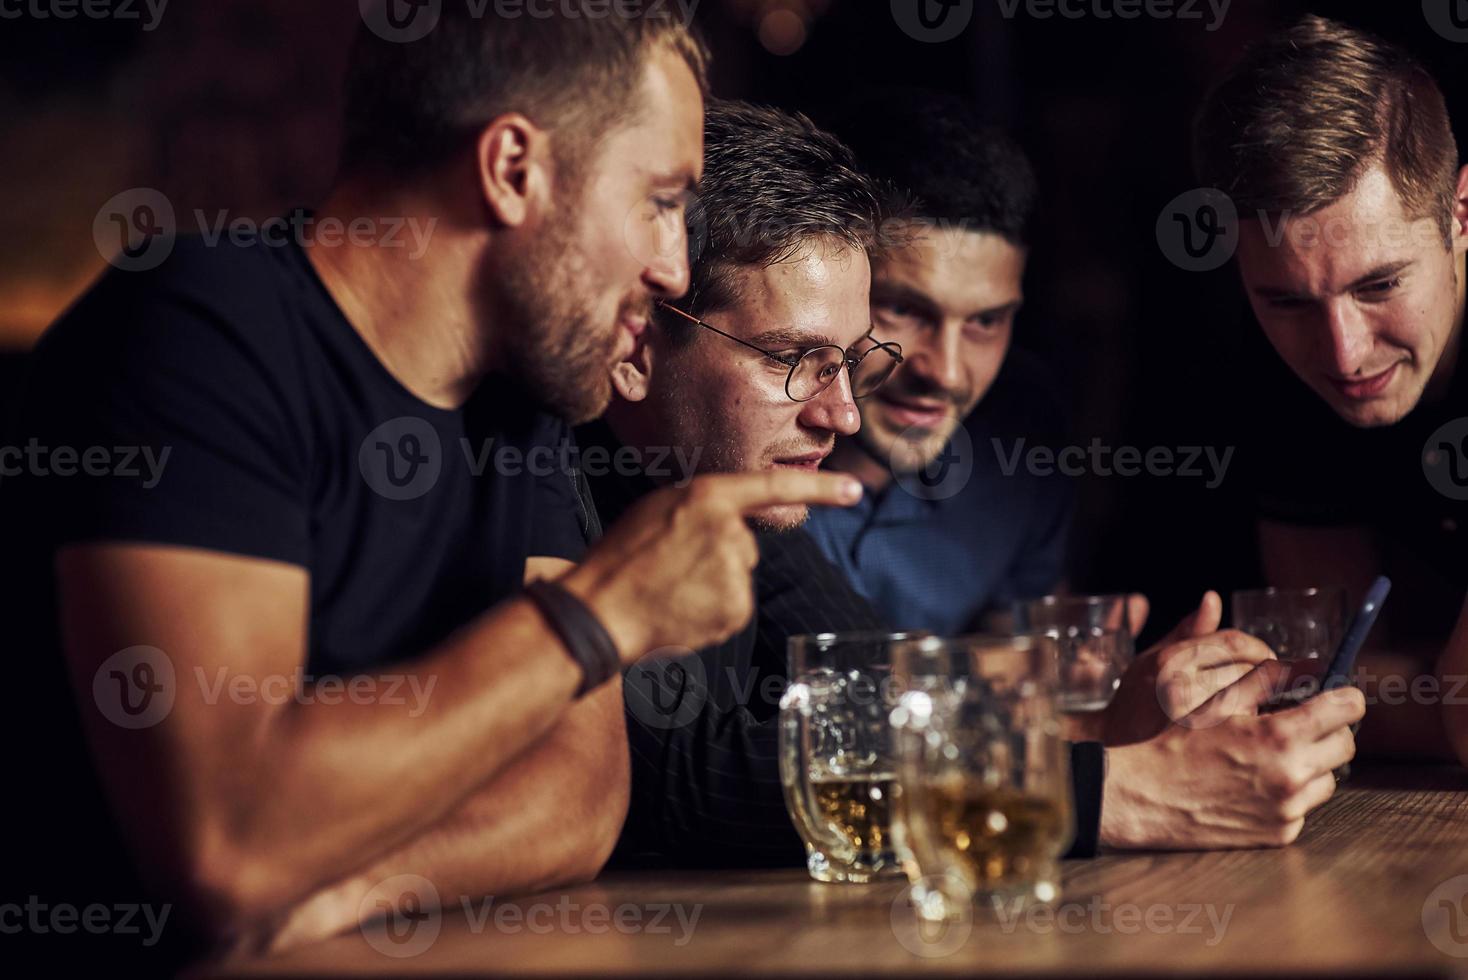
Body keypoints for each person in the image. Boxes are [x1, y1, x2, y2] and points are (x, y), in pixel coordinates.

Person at [0, 7, 865, 966]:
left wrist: (354, 883)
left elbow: (580, 796)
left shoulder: (517, 402)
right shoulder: (196, 339)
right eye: (661, 200)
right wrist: (599, 615)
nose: (671, 265)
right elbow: (234, 846)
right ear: (511, 170)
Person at [587, 99, 1365, 869]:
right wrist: (1116, 791)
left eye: (848, 361)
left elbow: (888, 688)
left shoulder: (726, 491)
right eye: (793, 360)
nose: (846, 415)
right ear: (636, 340)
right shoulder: (546, 465)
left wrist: (1101, 732)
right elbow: (676, 778)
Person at [1192, 14, 1468, 761]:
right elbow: (1327, 682)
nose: (1342, 354)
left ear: (1460, 216)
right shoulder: (1274, 368)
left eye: (1380, 284)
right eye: (1284, 300)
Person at [804, 89, 1072, 635]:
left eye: (985, 322)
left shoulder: (1026, 427)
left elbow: (1023, 653)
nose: (945, 373)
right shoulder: (730, 433)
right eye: (903, 309)